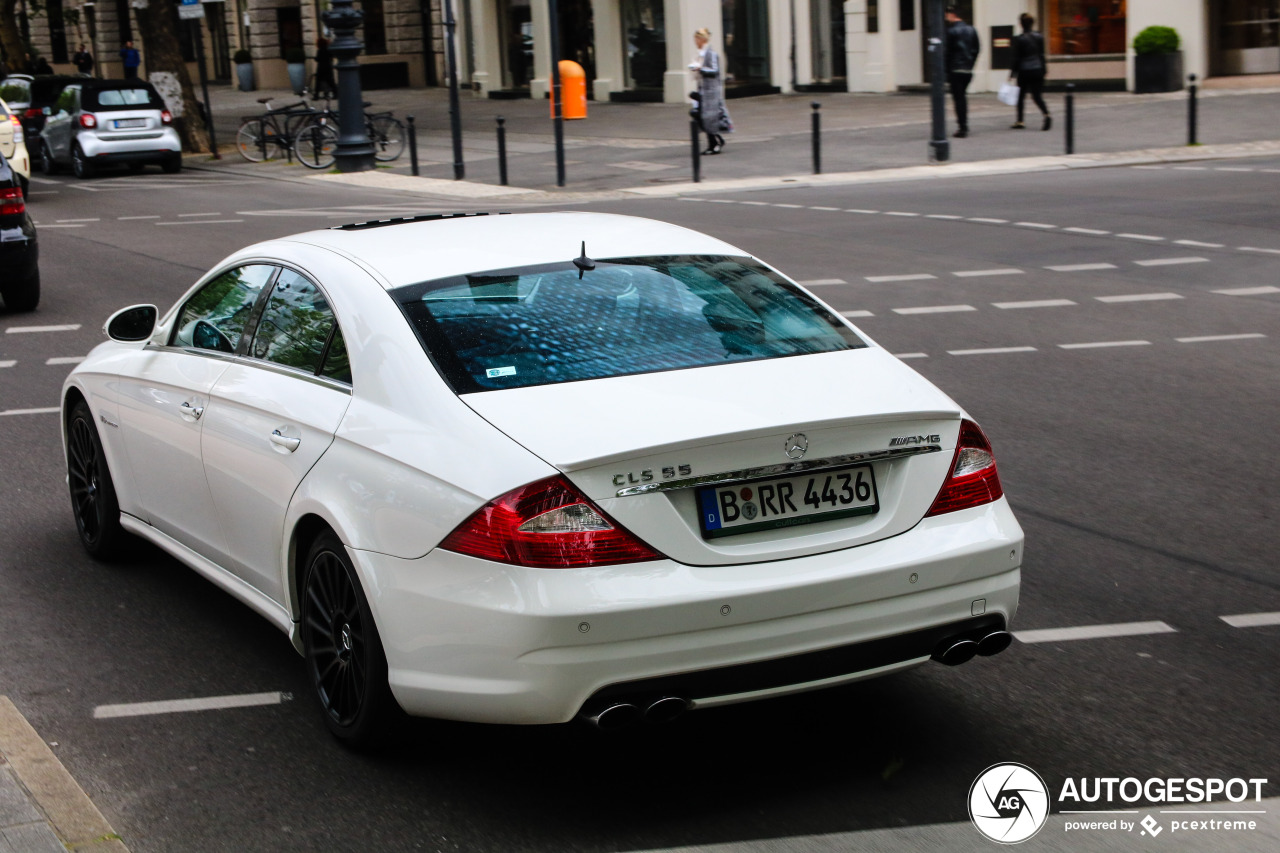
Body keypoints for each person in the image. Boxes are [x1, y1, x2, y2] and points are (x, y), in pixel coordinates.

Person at [689, 27, 730, 155]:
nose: (695, 41)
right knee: (700, 115)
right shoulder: (701, 54)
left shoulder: (711, 54)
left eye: (697, 39)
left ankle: (715, 144)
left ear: (702, 40)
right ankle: (717, 140)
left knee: (709, 117)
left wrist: (700, 68)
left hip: (711, 91)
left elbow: (714, 70)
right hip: (703, 90)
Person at [1009, 13, 1051, 130]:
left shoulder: (1019, 39)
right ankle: (1046, 114)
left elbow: (1016, 58)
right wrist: (1044, 69)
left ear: (1021, 24)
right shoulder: (1039, 37)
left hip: (1024, 70)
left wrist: (1012, 73)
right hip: (1037, 69)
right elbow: (1042, 55)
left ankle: (1020, 120)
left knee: (1021, 96)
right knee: (1037, 96)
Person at [944, 6, 980, 138]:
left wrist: (947, 70)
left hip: (955, 68)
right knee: (962, 97)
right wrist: (970, 64)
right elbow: (976, 49)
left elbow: (947, 52)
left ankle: (962, 126)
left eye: (947, 15)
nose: (945, 17)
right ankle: (963, 124)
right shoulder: (972, 30)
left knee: (958, 99)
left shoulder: (951, 31)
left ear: (952, 15)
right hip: (967, 69)